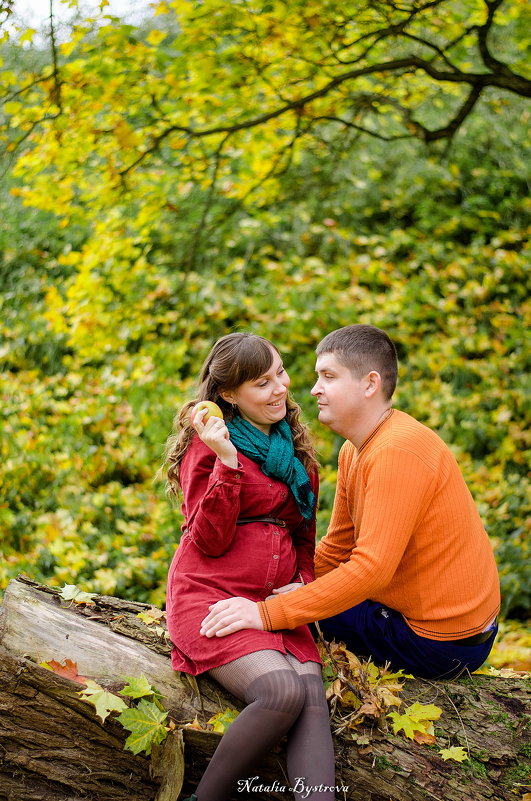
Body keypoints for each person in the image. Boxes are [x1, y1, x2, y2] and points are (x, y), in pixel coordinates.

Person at [200, 324, 501, 680]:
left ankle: (276, 693)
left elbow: (370, 570)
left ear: (370, 384)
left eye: (328, 376)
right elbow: (338, 547)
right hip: (426, 618)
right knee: (295, 603)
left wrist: (266, 612)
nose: (314, 390)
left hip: (444, 642)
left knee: (283, 622)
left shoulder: (397, 451)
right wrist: (295, 583)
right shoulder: (356, 449)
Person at [163, 333, 336, 801]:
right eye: (262, 382)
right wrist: (226, 461)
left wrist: (302, 587)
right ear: (227, 395)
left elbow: (304, 539)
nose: (280, 388)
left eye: (280, 372)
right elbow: (208, 539)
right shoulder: (209, 447)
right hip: (211, 597)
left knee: (312, 701)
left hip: (273, 608)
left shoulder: (297, 458)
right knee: (283, 692)